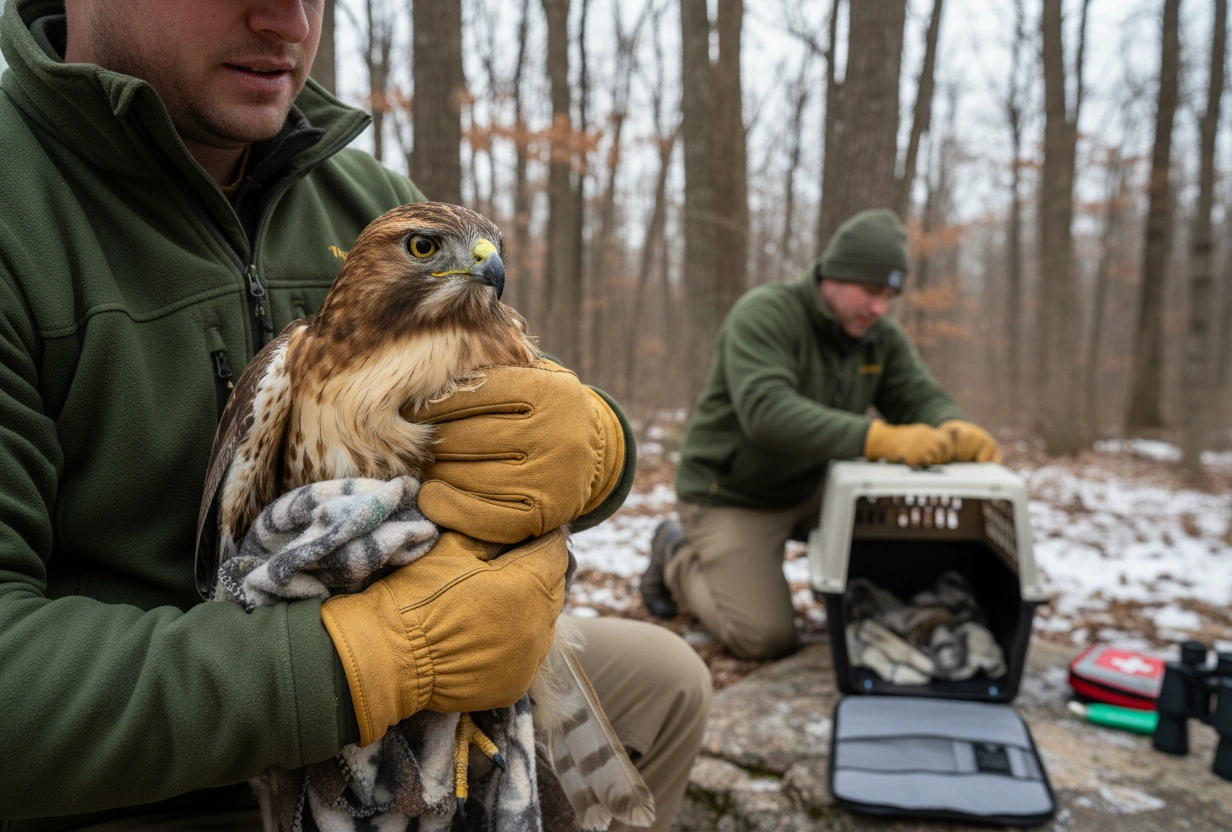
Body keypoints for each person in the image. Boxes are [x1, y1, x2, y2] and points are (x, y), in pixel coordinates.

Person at [0, 1, 710, 829]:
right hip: (153, 750)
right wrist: (366, 661)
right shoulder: (21, 211)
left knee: (665, 685)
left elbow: (534, 419)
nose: (290, 21)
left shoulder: (366, 197)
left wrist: (596, 448)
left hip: (422, 647)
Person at [641, 208, 1002, 660]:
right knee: (763, 637)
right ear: (833, 274)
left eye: (888, 296)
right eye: (870, 292)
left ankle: (840, 588)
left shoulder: (878, 336)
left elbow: (917, 396)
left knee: (889, 576)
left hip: (814, 487)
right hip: (733, 494)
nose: (879, 308)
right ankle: (675, 553)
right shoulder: (766, 314)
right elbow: (766, 412)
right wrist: (880, 440)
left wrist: (954, 427)